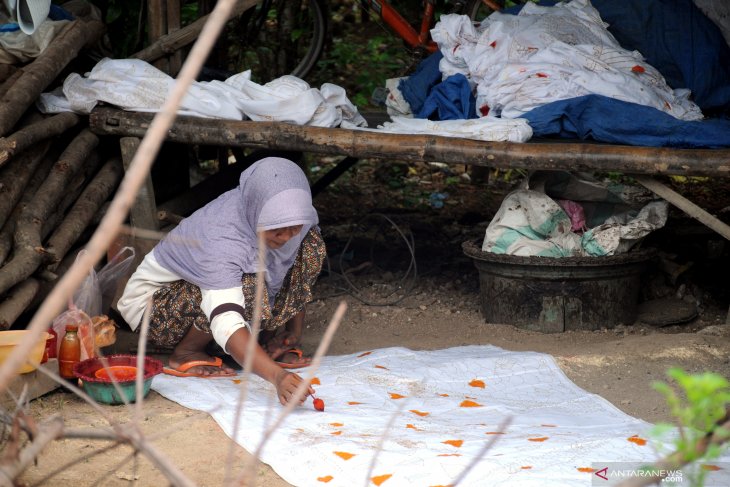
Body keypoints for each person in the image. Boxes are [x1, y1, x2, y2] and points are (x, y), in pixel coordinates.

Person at [117, 157, 326, 406]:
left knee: (310, 244)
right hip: (156, 310)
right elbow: (226, 318)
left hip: (221, 304)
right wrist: (277, 376)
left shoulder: (295, 218)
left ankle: (269, 343)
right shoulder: (221, 238)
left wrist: (291, 333)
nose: (285, 236)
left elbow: (292, 262)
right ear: (257, 209)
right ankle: (186, 352)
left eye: (293, 227)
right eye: (277, 229)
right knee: (248, 283)